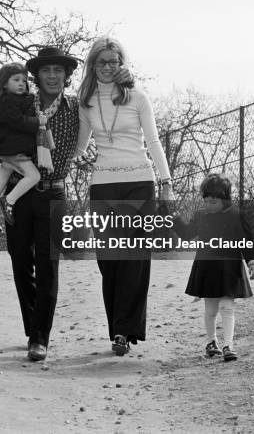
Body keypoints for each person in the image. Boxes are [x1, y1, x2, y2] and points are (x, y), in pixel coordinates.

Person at [4, 47, 133, 362]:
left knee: (48, 266)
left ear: (66, 76)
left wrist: (128, 79)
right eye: (46, 71)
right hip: (19, 192)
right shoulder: (19, 104)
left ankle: (39, 338)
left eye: (57, 71)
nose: (51, 76)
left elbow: (111, 103)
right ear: (37, 76)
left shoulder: (78, 107)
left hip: (54, 194)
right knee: (21, 262)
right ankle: (32, 324)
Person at [76, 37, 175, 356]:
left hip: (140, 183)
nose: (107, 67)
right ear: (93, 65)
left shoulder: (138, 98)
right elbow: (79, 147)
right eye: (101, 62)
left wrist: (166, 182)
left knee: (134, 258)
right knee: (110, 261)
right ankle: (119, 325)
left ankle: (123, 331)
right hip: (103, 185)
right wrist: (59, 161)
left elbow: (154, 142)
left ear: (121, 63)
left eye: (113, 62)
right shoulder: (86, 101)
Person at [172, 174, 254, 362]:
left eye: (214, 201)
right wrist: (175, 218)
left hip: (230, 269)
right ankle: (212, 343)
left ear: (225, 200)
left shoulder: (237, 215)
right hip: (207, 268)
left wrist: (252, 263)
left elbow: (246, 241)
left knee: (227, 307)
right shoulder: (200, 216)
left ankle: (229, 346)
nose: (208, 205)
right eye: (206, 200)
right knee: (211, 309)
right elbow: (187, 234)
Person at [0, 63, 43, 232]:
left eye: (24, 80)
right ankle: (9, 200)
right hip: (9, 148)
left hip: (5, 147)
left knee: (3, 178)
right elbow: (19, 122)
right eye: (16, 80)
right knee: (34, 175)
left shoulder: (16, 100)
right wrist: (38, 122)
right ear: (4, 84)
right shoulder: (7, 101)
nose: (22, 83)